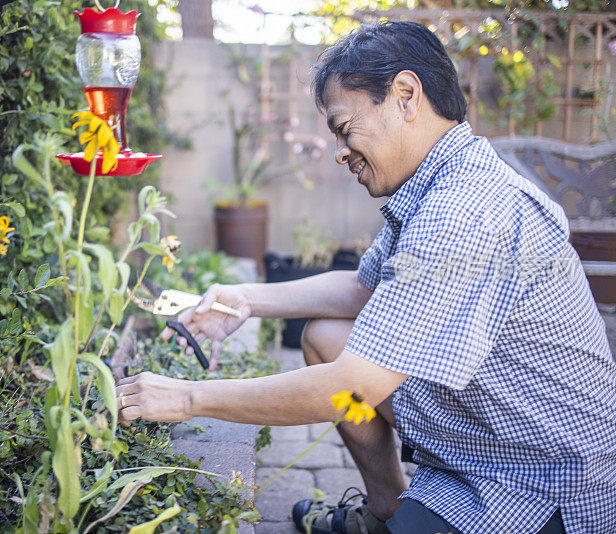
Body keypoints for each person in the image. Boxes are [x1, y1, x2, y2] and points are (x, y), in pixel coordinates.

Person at [115, 21, 616, 534]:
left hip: (540, 484)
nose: (339, 150)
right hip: (486, 430)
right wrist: (244, 297)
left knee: (347, 369)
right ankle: (386, 509)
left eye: (344, 127)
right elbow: (362, 289)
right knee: (326, 336)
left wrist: (188, 398)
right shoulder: (442, 181)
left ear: (405, 95)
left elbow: (352, 384)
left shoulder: (464, 211)